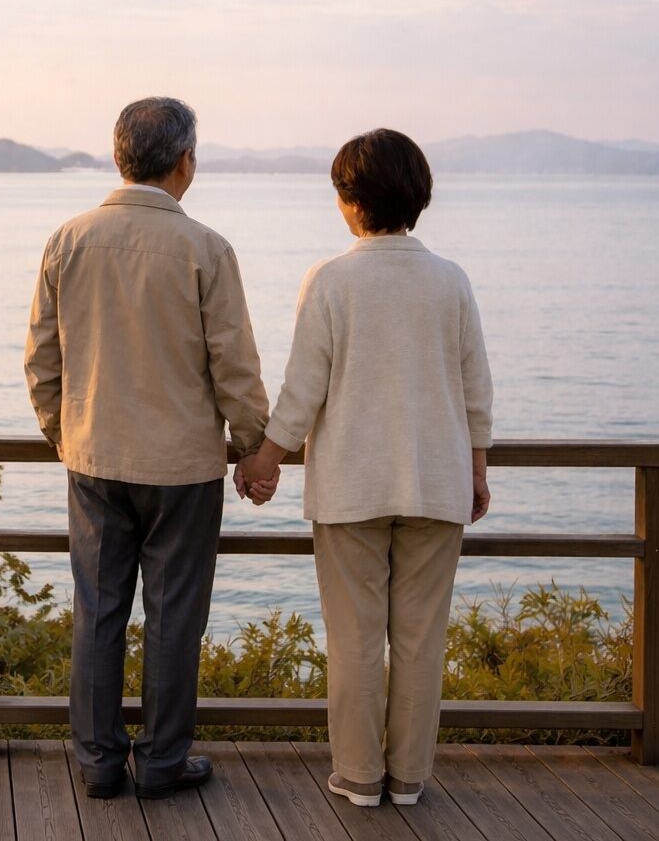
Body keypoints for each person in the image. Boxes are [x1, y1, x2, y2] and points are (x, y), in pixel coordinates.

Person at [24, 97, 271, 800]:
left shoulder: (68, 240)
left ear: (117, 157)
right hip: (183, 468)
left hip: (94, 457)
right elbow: (235, 367)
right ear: (186, 161)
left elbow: (42, 359)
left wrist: (64, 431)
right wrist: (253, 449)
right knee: (174, 618)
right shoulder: (206, 250)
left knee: (98, 612)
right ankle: (163, 763)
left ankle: (99, 763)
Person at [238, 128, 493, 807]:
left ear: (351, 201)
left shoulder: (331, 280)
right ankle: (408, 777)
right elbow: (475, 389)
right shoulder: (451, 281)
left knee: (354, 640)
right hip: (436, 482)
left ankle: (358, 775)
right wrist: (477, 468)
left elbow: (302, 391)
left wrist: (264, 461)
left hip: (351, 488)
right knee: (420, 640)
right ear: (418, 198)